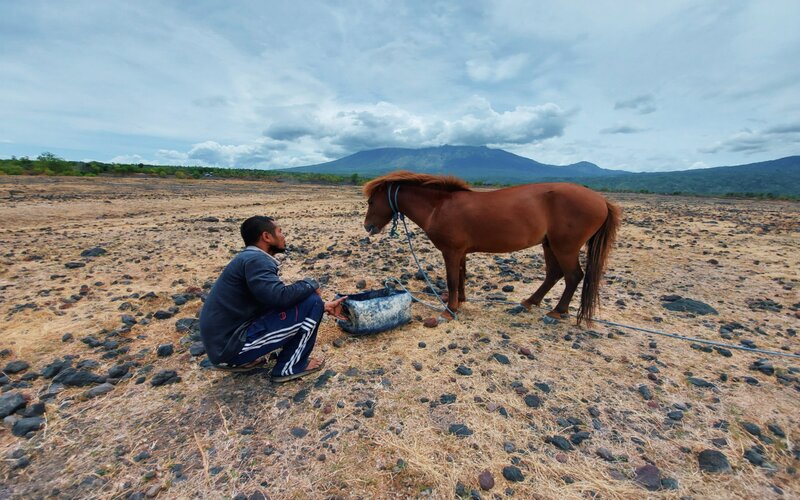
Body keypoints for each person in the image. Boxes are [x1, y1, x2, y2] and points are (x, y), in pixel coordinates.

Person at [199, 215, 347, 382]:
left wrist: (323, 306)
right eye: (280, 231)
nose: (283, 236)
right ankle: (290, 367)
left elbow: (270, 300)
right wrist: (310, 284)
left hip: (223, 345)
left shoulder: (248, 258)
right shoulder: (256, 259)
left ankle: (244, 358)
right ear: (267, 237)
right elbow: (280, 298)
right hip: (230, 347)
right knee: (312, 300)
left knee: (313, 302)